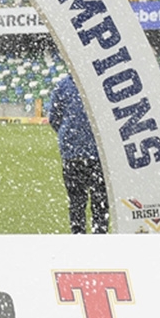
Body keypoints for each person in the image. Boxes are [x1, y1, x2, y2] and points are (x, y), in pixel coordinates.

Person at [47, 74, 106, 234]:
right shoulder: (99, 83)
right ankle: (100, 236)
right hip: (97, 153)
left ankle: (79, 236)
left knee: (77, 202)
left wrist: (69, 136)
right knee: (99, 202)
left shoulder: (63, 85)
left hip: (74, 153)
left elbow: (54, 118)